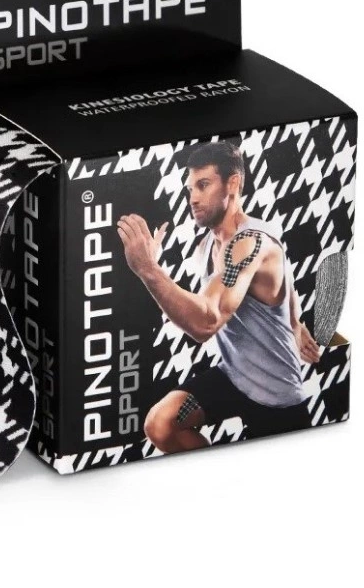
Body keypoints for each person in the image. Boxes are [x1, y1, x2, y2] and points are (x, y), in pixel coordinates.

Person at [116, 141, 320, 453]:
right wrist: (295, 322)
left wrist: (148, 269)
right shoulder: (205, 248)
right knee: (162, 423)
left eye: (203, 185)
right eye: (190, 189)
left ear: (233, 183)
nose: (193, 198)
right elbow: (285, 280)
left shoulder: (251, 242)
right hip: (233, 379)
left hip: (277, 398)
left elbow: (206, 322)